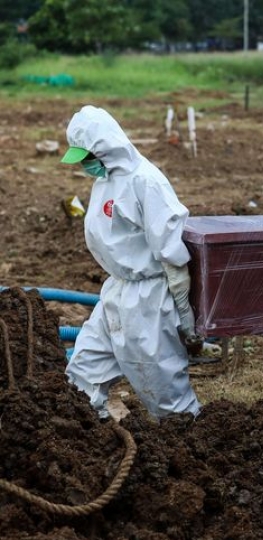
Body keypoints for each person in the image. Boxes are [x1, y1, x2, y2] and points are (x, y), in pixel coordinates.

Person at [60, 105, 202, 420]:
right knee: (81, 375)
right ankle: (85, 445)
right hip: (116, 292)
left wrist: (185, 317)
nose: (84, 165)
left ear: (104, 148)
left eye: (86, 157)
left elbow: (172, 254)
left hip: (147, 302)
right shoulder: (105, 181)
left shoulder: (146, 182)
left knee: (164, 393)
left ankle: (194, 446)